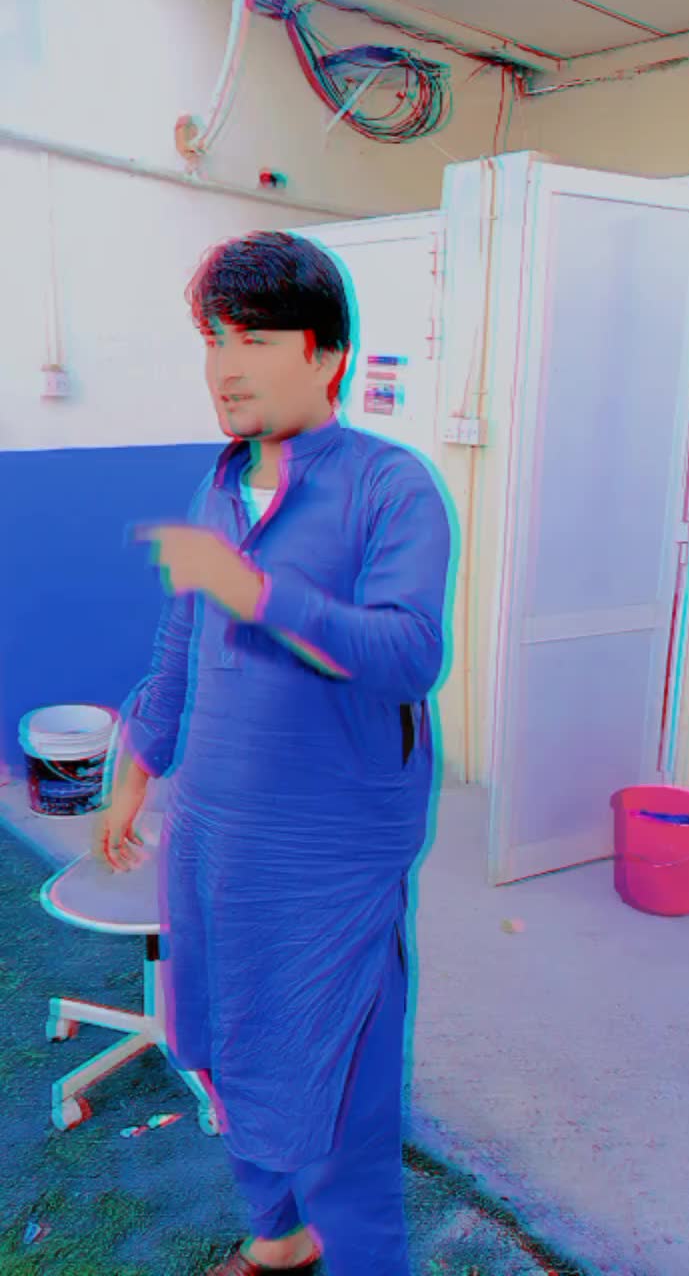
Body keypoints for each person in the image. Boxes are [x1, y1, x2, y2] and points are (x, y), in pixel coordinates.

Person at [93, 231, 452, 1275]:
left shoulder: (393, 488)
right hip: (216, 838)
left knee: (337, 1083)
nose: (225, 366)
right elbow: (180, 645)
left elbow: (408, 653)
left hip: (331, 855)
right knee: (221, 1043)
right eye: (214, 339)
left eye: (254, 338)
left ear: (327, 353)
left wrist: (255, 590)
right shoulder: (217, 490)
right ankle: (280, 1240)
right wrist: (135, 771)